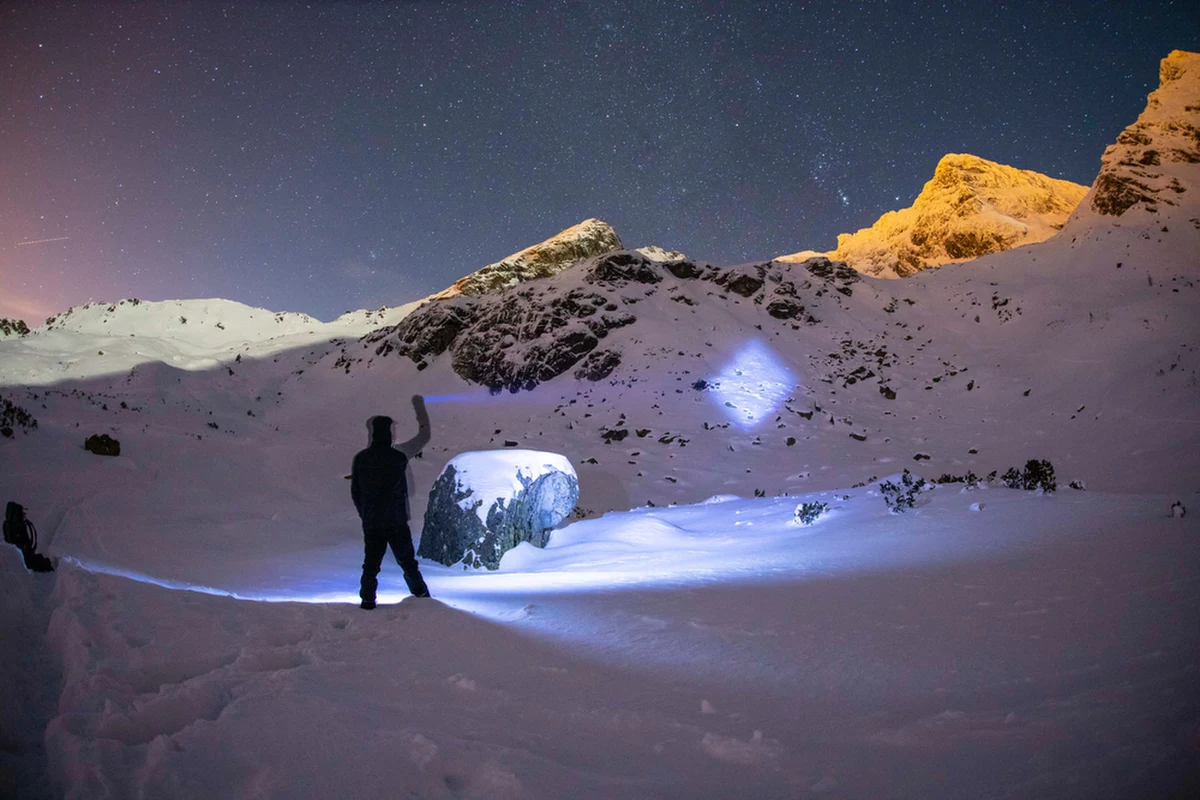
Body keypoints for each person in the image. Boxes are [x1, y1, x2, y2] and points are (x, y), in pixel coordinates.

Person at [351, 395, 431, 608]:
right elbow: (423, 437)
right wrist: (420, 408)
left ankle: (368, 601)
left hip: (372, 522)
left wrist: (365, 513)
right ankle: (421, 595)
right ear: (388, 433)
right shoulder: (398, 457)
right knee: (407, 563)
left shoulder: (361, 459)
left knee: (370, 565)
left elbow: (355, 493)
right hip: (396, 521)